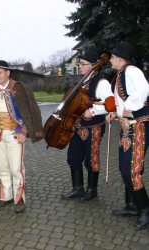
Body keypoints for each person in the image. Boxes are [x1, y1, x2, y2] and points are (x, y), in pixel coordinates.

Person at [0, 60, 43, 213]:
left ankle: (19, 198)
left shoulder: (18, 88)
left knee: (16, 167)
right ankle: (6, 195)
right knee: (2, 166)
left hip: (15, 133)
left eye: (0, 72)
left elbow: (29, 110)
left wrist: (24, 131)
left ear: (8, 73)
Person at [61, 49, 114, 201]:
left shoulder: (101, 82)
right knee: (73, 157)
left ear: (93, 66)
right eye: (80, 64)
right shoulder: (83, 81)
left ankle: (92, 190)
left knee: (92, 159)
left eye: (83, 64)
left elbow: (110, 104)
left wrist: (93, 110)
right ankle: (77, 188)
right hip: (77, 127)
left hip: (93, 128)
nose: (81, 67)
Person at [107, 41, 149, 230]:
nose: (110, 60)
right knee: (125, 168)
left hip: (137, 127)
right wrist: (115, 113)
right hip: (127, 127)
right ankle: (132, 205)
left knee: (131, 170)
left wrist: (128, 110)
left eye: (112, 57)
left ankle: (145, 210)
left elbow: (142, 91)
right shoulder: (121, 74)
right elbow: (122, 101)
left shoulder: (132, 71)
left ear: (119, 59)